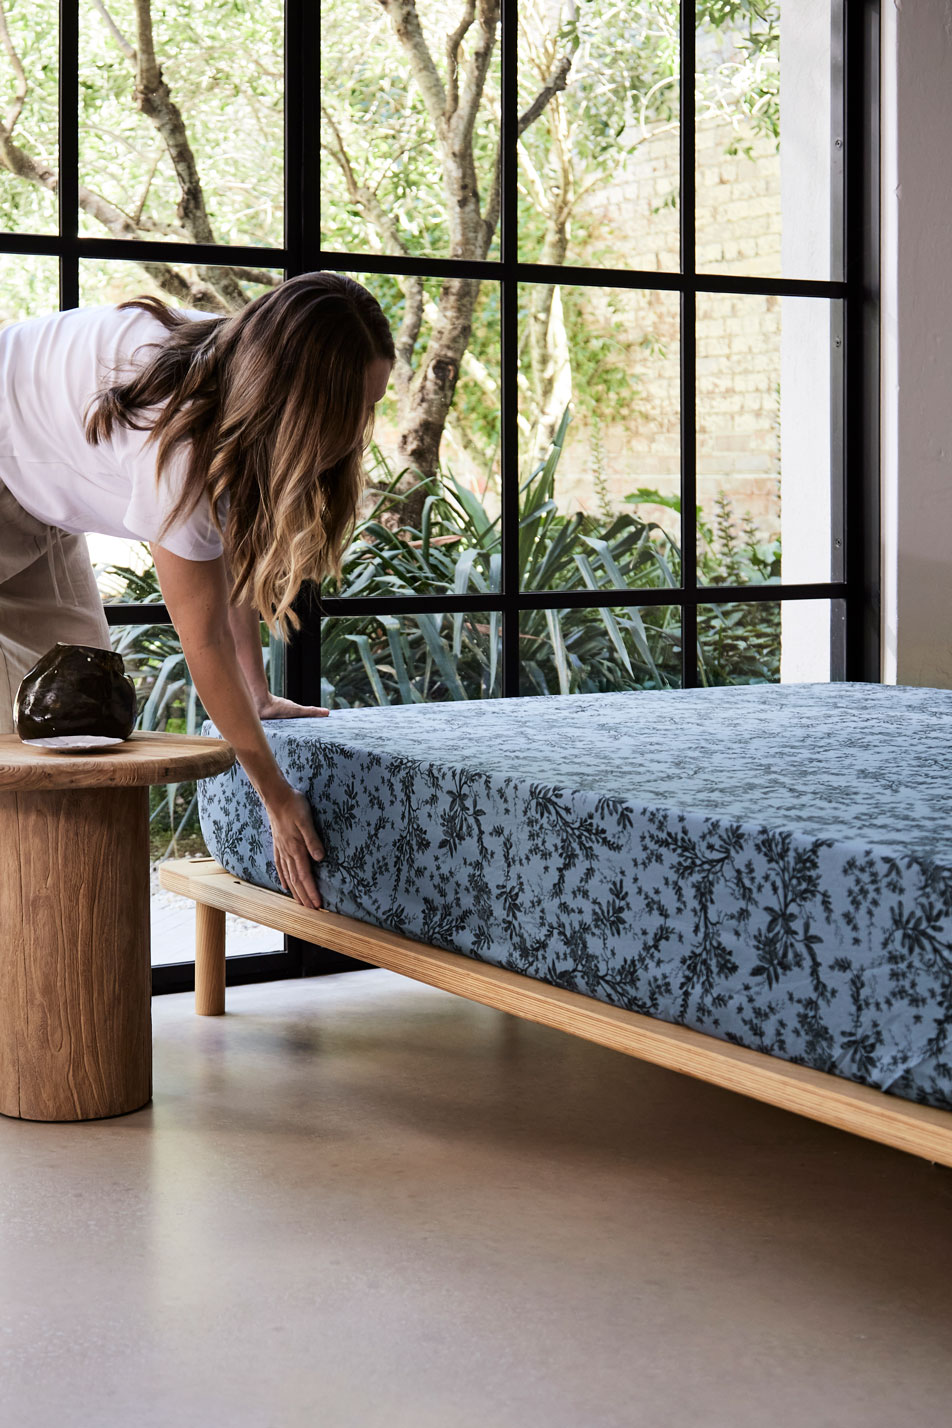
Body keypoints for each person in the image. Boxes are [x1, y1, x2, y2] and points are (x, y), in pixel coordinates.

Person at [0, 272, 395, 909]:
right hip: (6, 467)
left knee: (82, 715)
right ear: (300, 399)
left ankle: (65, 946)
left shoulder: (241, 375)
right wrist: (276, 795)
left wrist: (257, 694)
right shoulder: (181, 436)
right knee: (14, 735)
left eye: (374, 404)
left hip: (38, 494)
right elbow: (202, 637)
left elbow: (222, 557)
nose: (359, 432)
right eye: (353, 410)